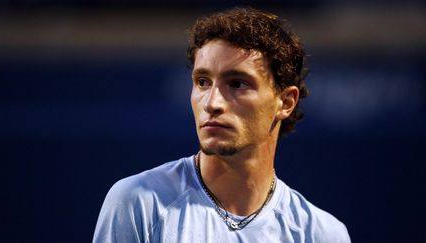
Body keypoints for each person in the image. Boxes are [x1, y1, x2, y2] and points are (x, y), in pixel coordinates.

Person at [93, 7, 350, 243]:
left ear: (285, 102)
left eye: (237, 83)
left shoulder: (321, 234)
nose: (212, 103)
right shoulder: (138, 202)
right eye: (203, 82)